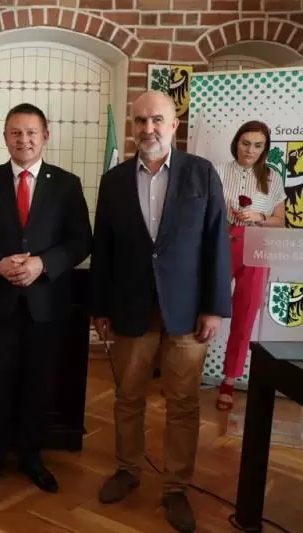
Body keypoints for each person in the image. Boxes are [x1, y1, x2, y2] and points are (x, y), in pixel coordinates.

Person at [90, 90, 231, 533]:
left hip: (187, 311)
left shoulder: (201, 173)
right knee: (128, 397)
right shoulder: (114, 180)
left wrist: (214, 308)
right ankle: (128, 470)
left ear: (173, 125)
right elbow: (103, 249)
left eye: (156, 120)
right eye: (140, 121)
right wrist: (99, 306)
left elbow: (217, 243)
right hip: (130, 307)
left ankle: (175, 487)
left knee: (183, 403)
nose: (147, 128)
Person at [0, 103, 92, 491]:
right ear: (5, 138)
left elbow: (81, 241)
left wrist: (43, 264)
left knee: (38, 384)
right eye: (16, 132)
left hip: (45, 305)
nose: (24, 139)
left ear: (45, 136)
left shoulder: (67, 184)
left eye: (31, 132)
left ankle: (32, 456)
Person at [215, 121, 287, 411]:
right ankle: (188, 373)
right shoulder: (219, 172)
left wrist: (258, 216)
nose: (251, 150)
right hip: (223, 243)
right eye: (246, 143)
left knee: (245, 315)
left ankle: (229, 381)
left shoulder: (272, 178)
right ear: (237, 142)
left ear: (265, 148)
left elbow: (280, 221)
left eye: (258, 145)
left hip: (257, 246)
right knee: (206, 308)